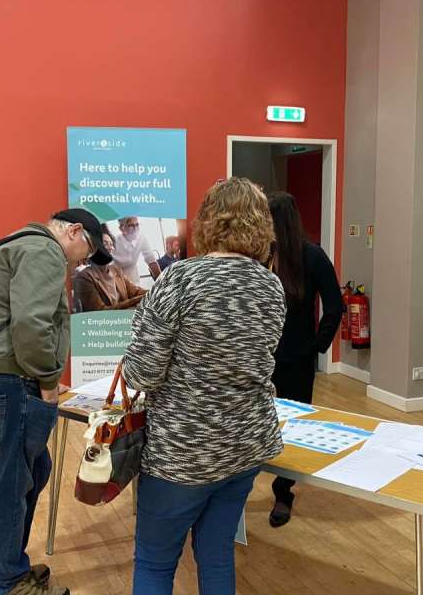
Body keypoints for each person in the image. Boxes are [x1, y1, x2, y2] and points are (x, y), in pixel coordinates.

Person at [123, 177, 286, 595]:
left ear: (208, 221)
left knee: (156, 564)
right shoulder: (271, 285)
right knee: (216, 557)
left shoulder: (181, 280)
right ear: (260, 225)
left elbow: (141, 374)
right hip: (245, 447)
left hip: (182, 453)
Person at [0, 208, 110, 595]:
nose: (82, 262)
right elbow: (31, 326)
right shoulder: (44, 251)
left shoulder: (18, 243)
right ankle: (4, 581)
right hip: (9, 381)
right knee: (13, 481)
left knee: (31, 471)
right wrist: (48, 383)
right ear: (74, 231)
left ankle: (2, 564)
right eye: (87, 251)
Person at [265, 191, 344, 528]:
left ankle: (284, 491)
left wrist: (316, 347)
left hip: (297, 359)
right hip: (261, 358)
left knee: (294, 428)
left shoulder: (312, 256)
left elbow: (335, 305)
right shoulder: (260, 258)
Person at [74, 230, 147, 312]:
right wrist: (135, 300)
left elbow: (135, 291)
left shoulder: (116, 270)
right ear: (93, 249)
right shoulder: (84, 277)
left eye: (111, 244)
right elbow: (100, 311)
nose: (110, 248)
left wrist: (156, 292)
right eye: (105, 244)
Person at [113, 216, 161, 282]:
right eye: (131, 226)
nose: (135, 229)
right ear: (122, 228)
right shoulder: (113, 242)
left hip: (134, 281)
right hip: (116, 281)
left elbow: (151, 260)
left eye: (137, 225)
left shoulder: (141, 239)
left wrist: (162, 281)